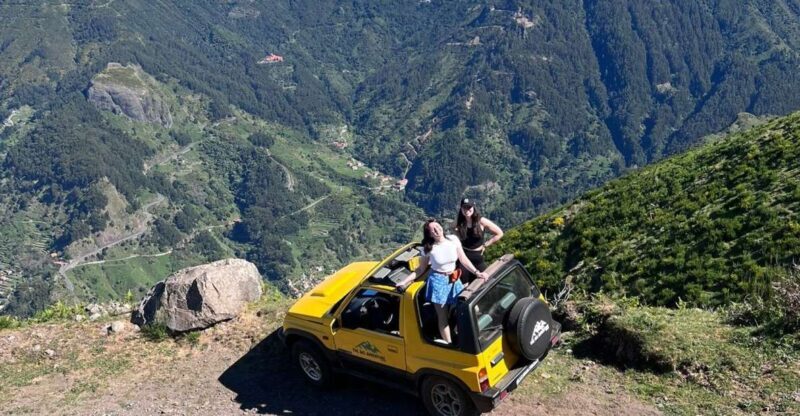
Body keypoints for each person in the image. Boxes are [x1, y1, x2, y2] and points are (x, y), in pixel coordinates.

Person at [396, 219, 487, 344]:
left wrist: (477, 272)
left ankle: (474, 336)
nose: (437, 230)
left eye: (437, 227)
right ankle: (449, 345)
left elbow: (463, 259)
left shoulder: (453, 240)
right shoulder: (428, 249)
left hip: (454, 278)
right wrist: (404, 282)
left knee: (471, 308)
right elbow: (420, 269)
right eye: (433, 230)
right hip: (438, 281)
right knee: (442, 316)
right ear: (430, 234)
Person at [453, 198, 503, 284]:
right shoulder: (459, 222)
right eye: (464, 208)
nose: (467, 210)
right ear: (461, 209)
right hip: (464, 256)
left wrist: (486, 245)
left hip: (477, 257)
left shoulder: (481, 221)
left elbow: (499, 233)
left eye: (469, 207)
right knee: (463, 284)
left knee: (484, 281)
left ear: (473, 208)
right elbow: (454, 232)